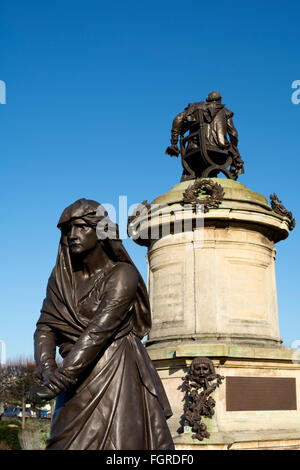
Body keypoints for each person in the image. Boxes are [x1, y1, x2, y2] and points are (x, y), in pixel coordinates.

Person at [27, 198, 174, 450]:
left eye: (82, 227)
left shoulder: (122, 275)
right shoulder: (61, 279)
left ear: (101, 232)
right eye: (68, 229)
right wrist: (47, 369)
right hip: (73, 375)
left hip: (115, 371)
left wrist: (56, 383)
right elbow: (45, 326)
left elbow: (98, 333)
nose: (73, 235)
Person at [165, 91, 244, 180]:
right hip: (221, 152)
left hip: (194, 150)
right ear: (220, 100)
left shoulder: (195, 107)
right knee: (233, 150)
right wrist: (234, 147)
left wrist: (174, 143)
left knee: (194, 169)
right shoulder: (225, 112)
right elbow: (233, 133)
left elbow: (178, 119)